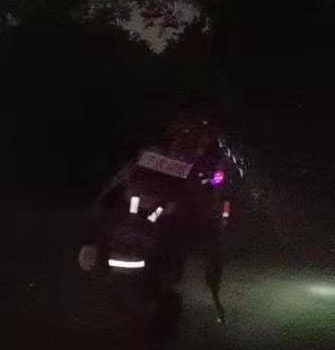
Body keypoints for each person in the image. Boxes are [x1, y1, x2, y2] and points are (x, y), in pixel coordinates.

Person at [80, 111, 230, 322]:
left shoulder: (201, 168)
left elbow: (209, 198)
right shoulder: (156, 156)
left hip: (164, 226)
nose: (190, 141)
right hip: (140, 219)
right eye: (185, 135)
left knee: (211, 241)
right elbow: (119, 184)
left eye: (198, 137)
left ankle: (212, 291)